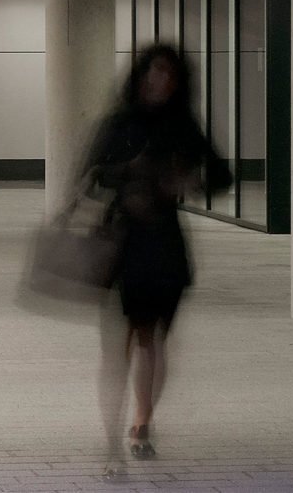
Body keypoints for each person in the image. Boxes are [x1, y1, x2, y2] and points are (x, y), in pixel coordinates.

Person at [82, 43, 231, 479]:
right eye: (153, 72)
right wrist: (129, 172)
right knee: (119, 346)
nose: (159, 81)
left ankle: (142, 425)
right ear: (140, 76)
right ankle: (112, 443)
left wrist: (190, 181)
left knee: (154, 340)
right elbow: (91, 175)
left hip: (164, 243)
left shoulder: (183, 125)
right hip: (123, 242)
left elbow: (220, 175)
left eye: (169, 74)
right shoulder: (119, 124)